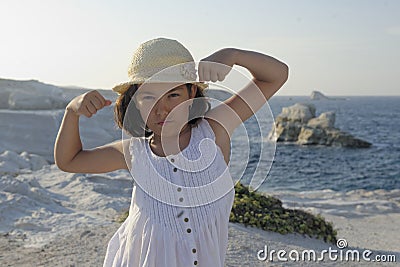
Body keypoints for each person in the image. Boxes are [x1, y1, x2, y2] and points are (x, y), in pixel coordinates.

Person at [54, 37, 288, 267]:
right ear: (135, 103)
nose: (162, 109)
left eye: (173, 95)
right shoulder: (134, 152)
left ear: (192, 95)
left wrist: (234, 55)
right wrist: (71, 112)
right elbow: (69, 161)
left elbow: (276, 75)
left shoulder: (215, 130)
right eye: (148, 97)